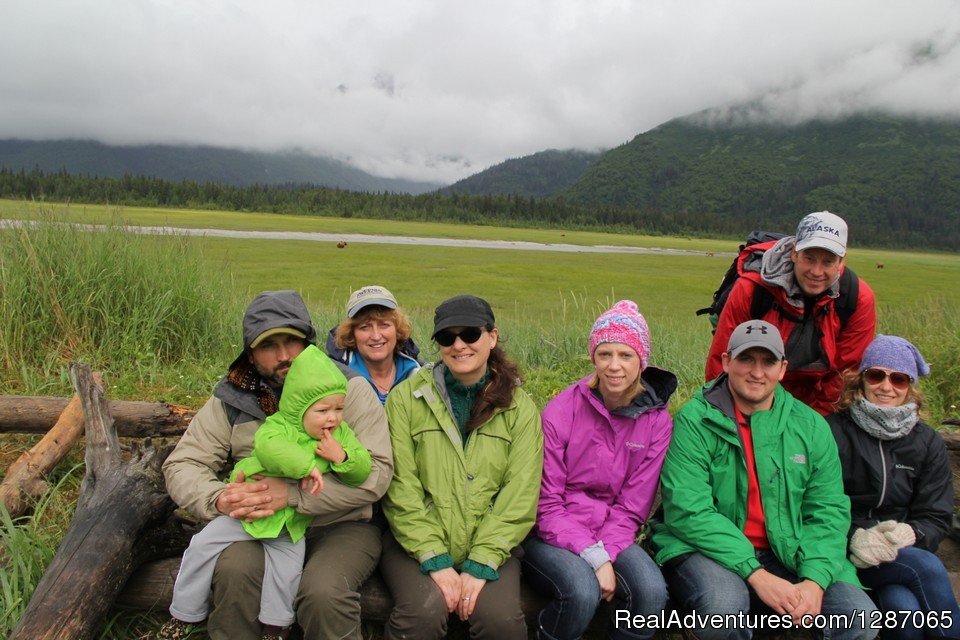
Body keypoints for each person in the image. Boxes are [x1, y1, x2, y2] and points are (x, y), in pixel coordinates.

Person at [162, 290, 392, 640]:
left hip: (340, 525)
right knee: (237, 571)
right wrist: (219, 499)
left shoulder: (348, 390)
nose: (284, 355)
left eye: (292, 342)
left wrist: (291, 496)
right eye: (270, 345)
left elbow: (376, 476)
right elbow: (184, 463)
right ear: (251, 354)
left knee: (324, 592)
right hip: (260, 524)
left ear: (309, 344)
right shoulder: (233, 398)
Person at [653, 319, 878, 640]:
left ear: (783, 369)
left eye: (768, 361)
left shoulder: (810, 426)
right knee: (722, 611)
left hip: (788, 547)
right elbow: (689, 510)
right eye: (746, 359)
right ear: (727, 361)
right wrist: (756, 575)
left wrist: (814, 580)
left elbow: (828, 511)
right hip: (709, 550)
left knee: (859, 619)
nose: (757, 372)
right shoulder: (695, 419)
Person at [380, 294, 544, 640]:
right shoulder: (407, 400)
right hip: (415, 544)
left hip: (493, 545)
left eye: (470, 334)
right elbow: (400, 488)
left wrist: (483, 560)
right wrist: (435, 558)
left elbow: (520, 492)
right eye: (446, 337)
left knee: (501, 622)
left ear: (492, 337)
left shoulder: (519, 408)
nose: (459, 345)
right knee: (421, 615)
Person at [523, 300, 674, 640]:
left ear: (642, 360)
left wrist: (604, 551)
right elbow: (546, 505)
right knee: (581, 591)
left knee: (651, 593)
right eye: (605, 354)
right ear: (593, 357)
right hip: (552, 533)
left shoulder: (656, 421)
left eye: (626, 355)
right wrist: (594, 557)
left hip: (612, 531)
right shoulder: (562, 409)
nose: (614, 366)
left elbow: (633, 506)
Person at [826, 335, 959, 640]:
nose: (886, 387)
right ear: (861, 379)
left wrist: (910, 533)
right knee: (926, 567)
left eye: (898, 379)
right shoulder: (834, 431)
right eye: (876, 375)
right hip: (847, 554)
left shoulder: (926, 442)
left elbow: (936, 515)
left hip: (899, 552)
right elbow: (816, 503)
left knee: (904, 609)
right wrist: (854, 537)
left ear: (909, 386)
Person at [705, 211, 877, 415]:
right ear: (794, 253)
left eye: (828, 262)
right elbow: (722, 358)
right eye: (809, 258)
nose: (816, 271)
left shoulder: (857, 299)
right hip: (752, 388)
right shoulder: (752, 289)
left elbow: (844, 373)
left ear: (842, 262)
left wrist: (813, 423)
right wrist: (724, 416)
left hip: (815, 398)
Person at [326, 284, 422, 404]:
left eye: (384, 325)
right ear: (352, 334)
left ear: (397, 330)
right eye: (365, 327)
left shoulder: (421, 374)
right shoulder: (334, 379)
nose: (376, 336)